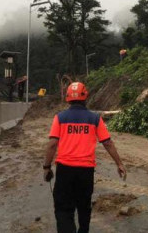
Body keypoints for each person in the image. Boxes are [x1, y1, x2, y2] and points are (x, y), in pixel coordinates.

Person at [43, 82, 127, 233]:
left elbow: (51, 145)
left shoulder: (60, 118)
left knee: (63, 209)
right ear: (85, 97)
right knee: (84, 208)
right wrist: (119, 163)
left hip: (65, 170)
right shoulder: (94, 118)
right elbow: (107, 143)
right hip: (86, 172)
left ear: (68, 98)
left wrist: (46, 167)